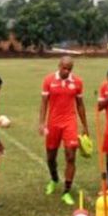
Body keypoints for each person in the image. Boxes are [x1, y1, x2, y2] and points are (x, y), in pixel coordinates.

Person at [39, 56, 90, 206]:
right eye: (64, 68)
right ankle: (54, 179)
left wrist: (85, 125)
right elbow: (44, 103)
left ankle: (66, 191)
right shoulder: (48, 80)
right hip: (53, 123)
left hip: (70, 122)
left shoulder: (77, 82)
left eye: (69, 69)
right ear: (59, 65)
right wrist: (42, 123)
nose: (66, 71)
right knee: (50, 157)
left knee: (70, 156)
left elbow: (80, 105)